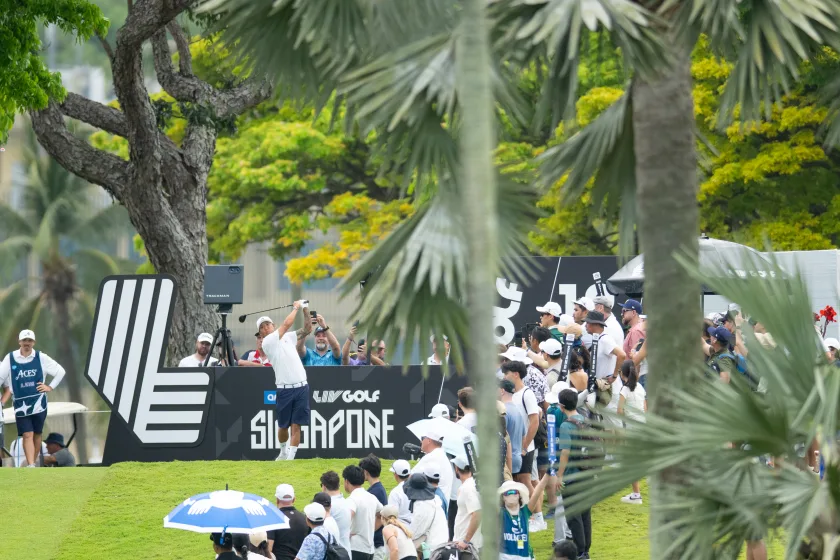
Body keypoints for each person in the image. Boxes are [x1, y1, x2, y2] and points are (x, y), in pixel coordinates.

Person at [0, 329, 66, 467]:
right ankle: (31, 464)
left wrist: (50, 387)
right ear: (19, 342)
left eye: (29, 340)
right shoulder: (10, 358)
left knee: (37, 434)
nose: (27, 343)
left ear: (33, 342)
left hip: (39, 403)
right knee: (27, 434)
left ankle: (33, 463)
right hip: (20, 404)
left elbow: (60, 371)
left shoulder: (41, 357)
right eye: (24, 340)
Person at [258, 303, 311, 461]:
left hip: (301, 387)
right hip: (284, 389)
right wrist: (296, 307)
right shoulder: (268, 342)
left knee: (296, 425)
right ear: (260, 333)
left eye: (268, 324)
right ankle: (283, 452)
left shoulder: (288, 337)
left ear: (273, 325)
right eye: (262, 327)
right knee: (283, 426)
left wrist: (305, 309)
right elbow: (287, 323)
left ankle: (290, 459)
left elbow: (307, 329)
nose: (266, 328)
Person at [556, 389, 592, 559]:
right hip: (587, 473)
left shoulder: (566, 426)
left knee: (573, 516)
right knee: (585, 514)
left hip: (572, 476)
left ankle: (579, 551)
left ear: (561, 406)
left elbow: (565, 452)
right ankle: (585, 550)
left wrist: (559, 475)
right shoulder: (585, 420)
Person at [498, 473, 554, 560]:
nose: (511, 495)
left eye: (514, 492)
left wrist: (547, 474)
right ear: (503, 498)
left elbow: (537, 491)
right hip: (505, 557)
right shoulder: (500, 513)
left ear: (519, 495)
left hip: (525, 556)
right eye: (507, 493)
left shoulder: (524, 511)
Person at [502, 361, 540, 489]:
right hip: (513, 448)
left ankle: (537, 504)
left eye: (506, 373)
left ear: (516, 374)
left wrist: (524, 447)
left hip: (525, 447)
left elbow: (535, 421)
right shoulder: (509, 393)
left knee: (526, 481)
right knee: (516, 482)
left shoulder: (527, 394)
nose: (504, 376)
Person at [617, 360, 647, 505]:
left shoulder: (624, 390)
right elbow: (645, 408)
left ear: (622, 374)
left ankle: (636, 495)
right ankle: (636, 493)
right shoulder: (640, 387)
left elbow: (619, 410)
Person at [344, 464, 384, 560]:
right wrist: (370, 529)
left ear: (346, 481)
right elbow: (382, 514)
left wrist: (347, 533)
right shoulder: (372, 497)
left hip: (355, 548)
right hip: (370, 549)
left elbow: (347, 517)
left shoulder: (352, 499)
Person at [405, 473, 448, 554]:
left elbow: (415, 532)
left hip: (433, 548)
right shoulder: (434, 499)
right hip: (441, 543)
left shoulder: (422, 505)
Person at [411, 428, 455, 500]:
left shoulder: (431, 456)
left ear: (429, 440)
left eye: (422, 438)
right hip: (440, 502)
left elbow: (409, 477)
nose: (420, 441)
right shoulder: (441, 455)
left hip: (432, 503)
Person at [268, 484, 309, 560]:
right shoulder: (305, 518)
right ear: (294, 499)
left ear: (277, 500)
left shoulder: (273, 519)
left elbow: (268, 550)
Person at [359, 454, 389, 560]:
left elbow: (381, 517)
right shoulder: (377, 489)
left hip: (376, 543)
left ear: (366, 472)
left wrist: (367, 532)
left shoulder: (376, 491)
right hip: (375, 542)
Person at [451, 456, 482, 554]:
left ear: (456, 468)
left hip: (467, 546)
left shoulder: (467, 488)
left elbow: (477, 513)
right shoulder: (473, 484)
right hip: (468, 543)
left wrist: (465, 541)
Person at [321, 471, 353, 554]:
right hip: (346, 552)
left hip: (335, 554)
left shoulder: (328, 506)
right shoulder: (347, 502)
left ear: (324, 487)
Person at [499, 379, 526, 476]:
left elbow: (502, 437)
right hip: (517, 458)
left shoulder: (503, 411)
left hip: (507, 460)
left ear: (502, 391)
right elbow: (523, 435)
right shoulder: (518, 410)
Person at [387, 460, 412, 524]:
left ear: (395, 474)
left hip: (400, 527)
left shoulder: (395, 492)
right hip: (418, 526)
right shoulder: (419, 487)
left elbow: (391, 517)